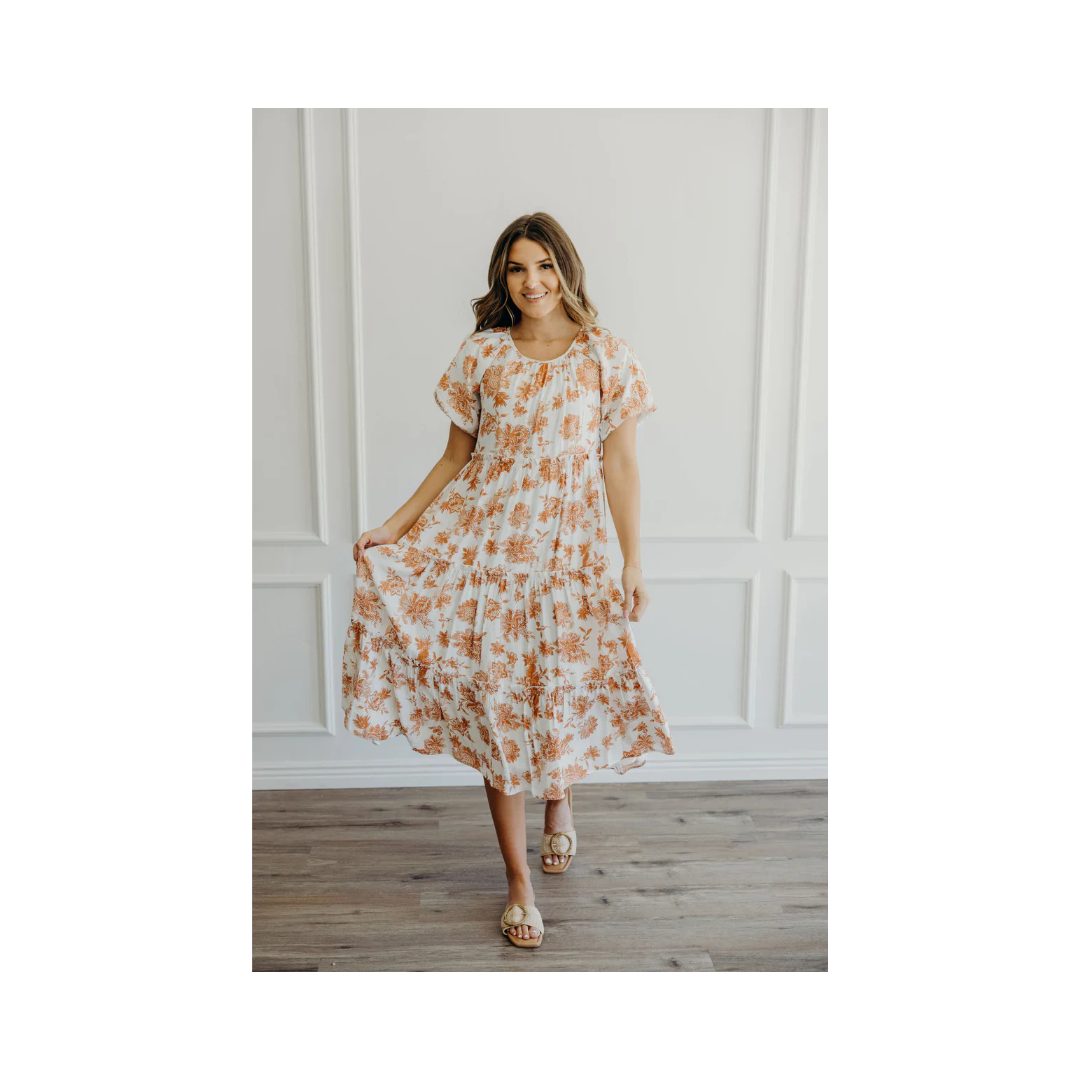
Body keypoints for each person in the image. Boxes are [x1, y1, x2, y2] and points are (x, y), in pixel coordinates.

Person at [341, 212, 674, 948]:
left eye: (545, 266)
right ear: (503, 277)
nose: (533, 282)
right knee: (501, 709)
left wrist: (632, 561)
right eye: (518, 269)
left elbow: (620, 465)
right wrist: (394, 527)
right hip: (487, 554)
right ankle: (518, 882)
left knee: (554, 692)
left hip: (568, 556)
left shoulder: (606, 356)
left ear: (567, 270)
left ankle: (559, 799)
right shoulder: (483, 354)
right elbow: (454, 459)